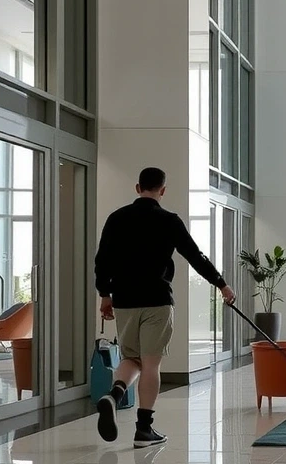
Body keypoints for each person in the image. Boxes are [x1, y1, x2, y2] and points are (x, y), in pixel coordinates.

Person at [94, 167, 234, 447]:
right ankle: (143, 429)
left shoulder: (117, 218)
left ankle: (115, 394)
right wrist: (221, 284)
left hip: (124, 299)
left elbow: (102, 260)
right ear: (163, 190)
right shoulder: (169, 220)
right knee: (151, 363)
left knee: (131, 358)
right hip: (157, 299)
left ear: (137, 187)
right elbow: (195, 256)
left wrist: (105, 294)